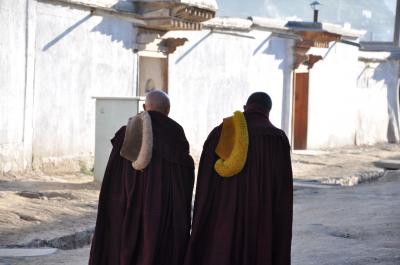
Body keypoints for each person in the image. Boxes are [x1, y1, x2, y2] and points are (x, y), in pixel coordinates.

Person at [184, 92, 293, 265]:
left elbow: (205, 182)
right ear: (268, 112)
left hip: (224, 216)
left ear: (245, 108)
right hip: (260, 217)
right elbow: (282, 191)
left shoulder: (222, 132)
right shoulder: (277, 139)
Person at [89, 90, 195, 265]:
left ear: (145, 107)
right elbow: (185, 174)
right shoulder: (176, 133)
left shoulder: (128, 131)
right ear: (168, 111)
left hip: (132, 205)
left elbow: (114, 177)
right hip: (163, 210)